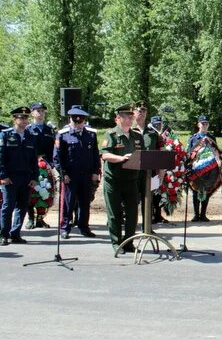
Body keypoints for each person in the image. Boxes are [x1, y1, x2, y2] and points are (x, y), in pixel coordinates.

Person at [100, 104, 145, 253]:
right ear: (117, 119)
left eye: (131, 116)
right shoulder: (111, 135)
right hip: (114, 180)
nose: (129, 119)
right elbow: (105, 155)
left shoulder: (137, 136)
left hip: (132, 180)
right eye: (126, 116)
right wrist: (121, 158)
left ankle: (129, 242)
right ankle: (116, 243)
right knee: (115, 214)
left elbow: (143, 155)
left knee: (132, 214)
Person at [53, 106, 101, 239]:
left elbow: (95, 155)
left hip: (86, 175)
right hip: (70, 175)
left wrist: (96, 172)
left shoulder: (91, 134)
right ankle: (65, 227)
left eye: (81, 121)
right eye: (76, 121)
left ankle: (84, 227)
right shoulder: (62, 134)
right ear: (70, 119)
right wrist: (63, 174)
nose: (79, 124)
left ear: (84, 120)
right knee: (68, 202)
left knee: (85, 203)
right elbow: (57, 158)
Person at [0, 107, 38, 245]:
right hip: (10, 178)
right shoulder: (5, 135)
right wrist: (3, 176)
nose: (24, 120)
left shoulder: (30, 136)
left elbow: (34, 160)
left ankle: (15, 234)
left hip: (26, 178)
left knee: (22, 206)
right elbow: (0, 158)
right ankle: (3, 234)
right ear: (14, 119)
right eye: (21, 118)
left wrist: (35, 177)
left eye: (26, 118)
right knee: (8, 206)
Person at [132, 102, 164, 230]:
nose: (142, 113)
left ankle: (147, 228)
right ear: (133, 112)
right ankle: (131, 229)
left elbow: (161, 151)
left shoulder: (152, 132)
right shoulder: (129, 130)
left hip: (149, 173)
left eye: (144, 111)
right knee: (132, 201)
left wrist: (161, 171)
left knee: (148, 200)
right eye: (139, 110)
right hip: (132, 172)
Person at [25, 102, 55, 229]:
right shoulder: (27, 130)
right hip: (30, 166)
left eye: (42, 110)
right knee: (31, 192)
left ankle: (40, 219)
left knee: (46, 191)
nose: (40, 113)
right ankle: (31, 218)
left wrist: (51, 164)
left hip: (45, 165)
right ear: (32, 113)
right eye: (37, 110)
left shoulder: (50, 130)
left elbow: (53, 149)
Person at [188, 115, 217, 222]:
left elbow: (216, 152)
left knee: (206, 191)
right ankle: (196, 215)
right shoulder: (193, 138)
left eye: (206, 123)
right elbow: (189, 153)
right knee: (196, 191)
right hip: (196, 169)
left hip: (209, 169)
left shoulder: (212, 138)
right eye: (203, 123)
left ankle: (203, 214)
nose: (205, 125)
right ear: (198, 125)